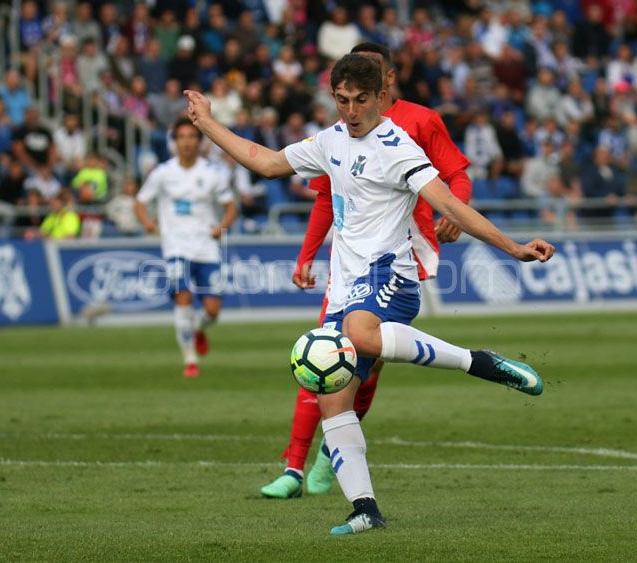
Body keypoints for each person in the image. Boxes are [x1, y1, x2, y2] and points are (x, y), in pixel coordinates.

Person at [185, 54, 554, 535]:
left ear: (381, 96)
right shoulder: (330, 140)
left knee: (361, 332)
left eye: (361, 100)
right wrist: (209, 122)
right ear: (333, 96)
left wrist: (515, 248)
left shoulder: (397, 147)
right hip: (345, 287)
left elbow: (448, 204)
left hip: (391, 276)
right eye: (342, 100)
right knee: (333, 400)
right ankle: (365, 509)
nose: (351, 110)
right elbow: (268, 162)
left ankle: (480, 362)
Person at [260, 42, 477, 501]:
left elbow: (455, 176)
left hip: (401, 253)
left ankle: (329, 453)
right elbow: (325, 195)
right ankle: (294, 467)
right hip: (349, 261)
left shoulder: (418, 123)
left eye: (368, 81)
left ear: (387, 81)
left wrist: (456, 212)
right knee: (324, 353)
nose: (355, 95)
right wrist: (307, 254)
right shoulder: (337, 134)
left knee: (367, 362)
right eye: (346, 89)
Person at [135, 117, 238, 379]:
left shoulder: (212, 173)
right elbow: (140, 201)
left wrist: (222, 227)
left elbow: (230, 206)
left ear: (199, 142)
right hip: (175, 247)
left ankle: (197, 327)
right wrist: (147, 222)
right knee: (182, 299)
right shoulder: (162, 173)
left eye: (192, 137)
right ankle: (190, 359)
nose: (187, 142)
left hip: (207, 248)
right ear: (174, 142)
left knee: (213, 311)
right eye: (181, 137)